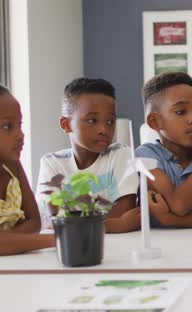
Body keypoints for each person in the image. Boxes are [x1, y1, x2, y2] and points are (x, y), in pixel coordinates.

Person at [35, 78, 140, 233]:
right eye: (92, 120)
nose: (104, 129)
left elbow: (125, 211)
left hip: (118, 245)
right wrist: (118, 223)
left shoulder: (120, 154)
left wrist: (76, 223)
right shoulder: (52, 163)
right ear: (66, 124)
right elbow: (57, 221)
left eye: (110, 121)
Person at [136, 72, 192, 228]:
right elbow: (178, 205)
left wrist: (171, 220)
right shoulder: (145, 156)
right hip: (164, 247)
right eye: (181, 112)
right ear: (155, 122)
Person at [0, 85, 41, 233]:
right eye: (7, 126)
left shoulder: (13, 166)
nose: (20, 135)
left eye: (19, 124)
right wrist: (55, 240)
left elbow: (35, 222)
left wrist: (9, 241)